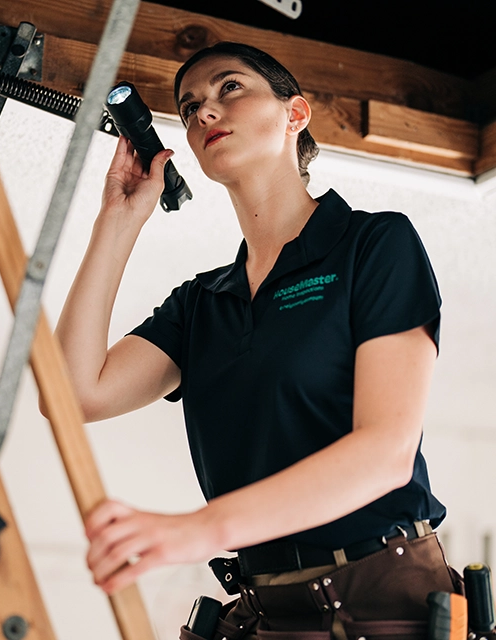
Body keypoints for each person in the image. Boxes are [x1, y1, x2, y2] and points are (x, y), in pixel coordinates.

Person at [53, 41, 461, 639]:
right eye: (189, 108)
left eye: (230, 89)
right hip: (268, 612)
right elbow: (71, 396)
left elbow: (385, 455)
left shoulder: (374, 245)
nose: (204, 113)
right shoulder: (201, 303)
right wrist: (118, 220)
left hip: (382, 601)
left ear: (296, 113)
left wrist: (198, 530)